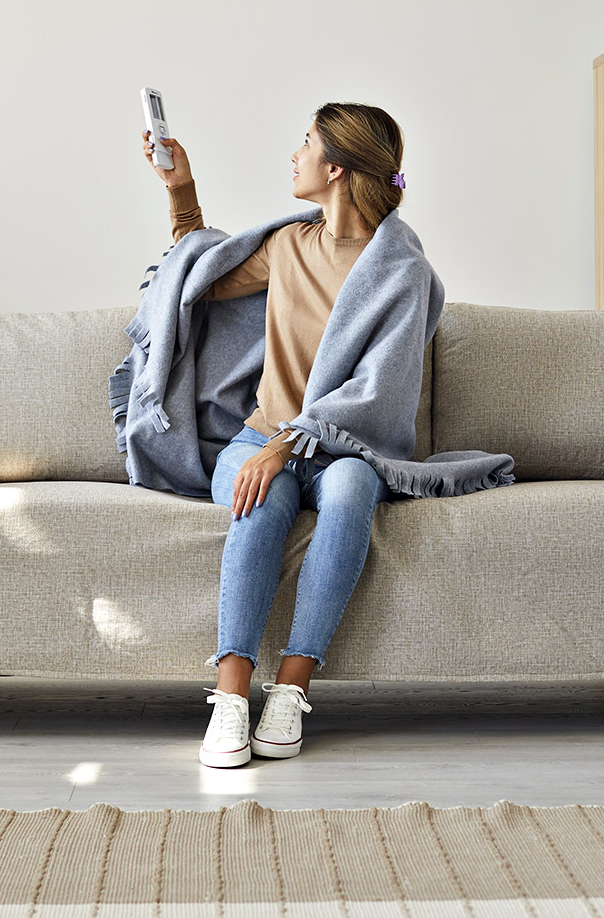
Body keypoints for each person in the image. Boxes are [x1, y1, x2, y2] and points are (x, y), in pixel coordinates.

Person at [141, 103, 410, 768]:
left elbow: (379, 390)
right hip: (257, 438)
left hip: (346, 446)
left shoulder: (400, 269)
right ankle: (231, 693)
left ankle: (292, 686)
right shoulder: (290, 246)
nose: (295, 154)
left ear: (337, 169)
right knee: (263, 496)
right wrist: (181, 190)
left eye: (306, 143)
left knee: (349, 491)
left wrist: (287, 444)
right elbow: (196, 279)